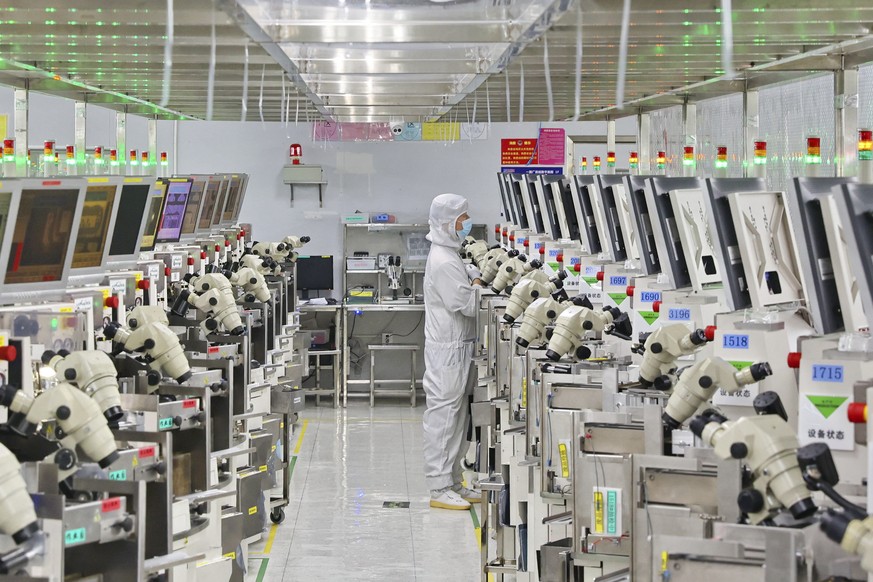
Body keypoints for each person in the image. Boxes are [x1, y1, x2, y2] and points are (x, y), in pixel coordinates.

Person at [422, 193, 483, 510]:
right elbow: (465, 304)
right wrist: (479, 285)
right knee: (444, 417)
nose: (466, 223)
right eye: (463, 218)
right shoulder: (444, 260)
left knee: (457, 417)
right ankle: (439, 486)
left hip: (458, 347)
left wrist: (472, 275)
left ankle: (454, 480)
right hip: (447, 350)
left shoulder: (449, 254)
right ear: (448, 222)